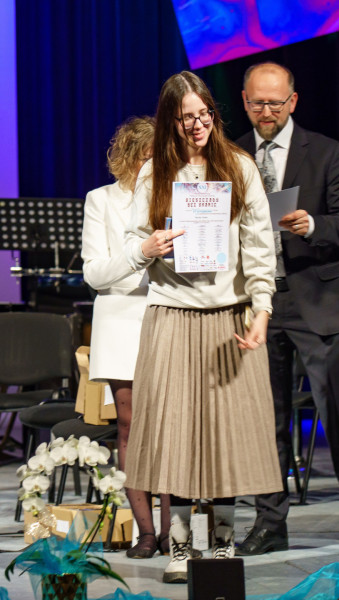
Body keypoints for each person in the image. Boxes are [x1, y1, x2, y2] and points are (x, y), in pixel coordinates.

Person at [124, 70, 282, 583]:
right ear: (168, 121)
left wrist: (261, 311)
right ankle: (179, 547)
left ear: (214, 113)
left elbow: (260, 247)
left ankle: (221, 545)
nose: (197, 125)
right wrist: (149, 247)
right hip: (172, 315)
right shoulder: (154, 174)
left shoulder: (238, 167)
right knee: (174, 436)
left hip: (227, 317)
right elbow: (130, 242)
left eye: (204, 114)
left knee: (225, 437)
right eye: (185, 117)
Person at [234, 61, 339, 560]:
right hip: (257, 304)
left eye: (275, 103)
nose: (266, 112)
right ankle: (269, 523)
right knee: (267, 424)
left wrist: (313, 225)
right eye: (258, 103)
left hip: (316, 303)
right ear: (244, 101)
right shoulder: (232, 155)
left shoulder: (326, 152)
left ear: (293, 101)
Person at [81, 116, 171, 558]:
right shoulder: (101, 200)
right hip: (120, 319)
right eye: (149, 157)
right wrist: (140, 254)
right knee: (131, 425)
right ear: (132, 157)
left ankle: (174, 530)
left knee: (169, 427)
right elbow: (96, 274)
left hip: (167, 316)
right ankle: (145, 532)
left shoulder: (173, 197)